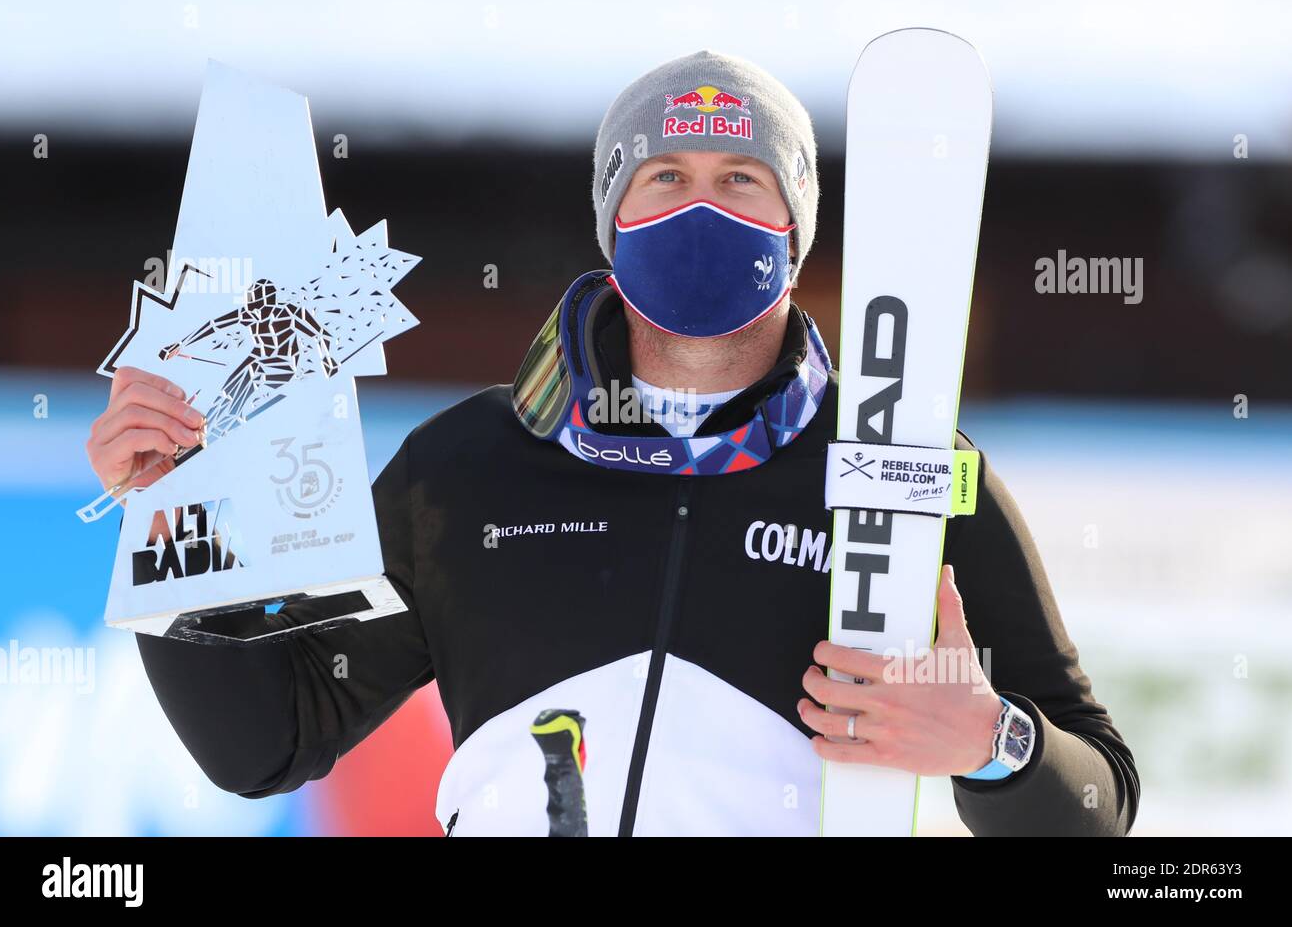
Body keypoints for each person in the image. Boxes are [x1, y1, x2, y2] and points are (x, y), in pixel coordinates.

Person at [85, 50, 1138, 836]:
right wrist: (175, 511)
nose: (702, 206)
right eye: (664, 177)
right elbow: (267, 739)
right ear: (613, 213)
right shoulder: (466, 469)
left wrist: (992, 744)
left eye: (742, 179)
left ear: (792, 224)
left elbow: (1099, 800)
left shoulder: (906, 468)